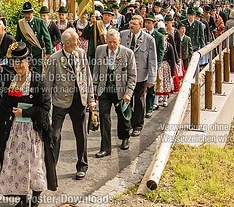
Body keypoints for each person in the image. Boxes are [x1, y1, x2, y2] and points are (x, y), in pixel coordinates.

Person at [0, 42, 57, 207]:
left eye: (21, 61)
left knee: (34, 164)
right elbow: (5, 105)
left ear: (28, 61)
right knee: (17, 164)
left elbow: (45, 107)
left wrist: (25, 113)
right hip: (15, 131)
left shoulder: (37, 81)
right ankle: (22, 199)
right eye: (15, 62)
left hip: (33, 131)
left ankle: (35, 199)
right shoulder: (12, 80)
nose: (18, 65)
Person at [45, 29, 95, 180]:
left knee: (81, 134)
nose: (79, 42)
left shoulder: (80, 53)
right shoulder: (54, 59)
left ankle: (82, 166)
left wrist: (91, 99)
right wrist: (46, 108)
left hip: (79, 101)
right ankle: (51, 168)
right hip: (60, 101)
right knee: (55, 135)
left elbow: (88, 77)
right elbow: (48, 84)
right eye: (76, 40)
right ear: (67, 43)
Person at [93, 29, 137, 158]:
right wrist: (94, 88)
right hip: (104, 89)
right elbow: (96, 70)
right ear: (106, 40)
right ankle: (105, 147)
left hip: (121, 90)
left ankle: (124, 138)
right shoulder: (100, 50)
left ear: (119, 41)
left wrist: (128, 93)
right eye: (109, 42)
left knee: (123, 116)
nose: (112, 45)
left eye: (114, 42)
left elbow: (132, 75)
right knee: (103, 116)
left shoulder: (128, 53)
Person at [119, 15, 157, 137]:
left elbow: (152, 60)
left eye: (134, 24)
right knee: (126, 100)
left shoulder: (149, 39)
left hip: (141, 75)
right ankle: (127, 123)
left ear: (140, 25)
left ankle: (137, 125)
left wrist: (152, 78)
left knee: (139, 101)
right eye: (130, 23)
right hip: (125, 75)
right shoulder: (122, 35)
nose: (131, 25)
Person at [15, 2, 53, 74]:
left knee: (37, 73)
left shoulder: (40, 22)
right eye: (25, 13)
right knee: (27, 73)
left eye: (28, 13)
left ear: (32, 13)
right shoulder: (21, 23)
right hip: (26, 53)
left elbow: (47, 37)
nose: (27, 15)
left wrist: (49, 52)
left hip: (37, 53)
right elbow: (17, 38)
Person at [143, 14, 164, 117]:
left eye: (149, 23)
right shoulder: (141, 34)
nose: (147, 24)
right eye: (146, 22)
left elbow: (161, 52)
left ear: (154, 24)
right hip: (142, 64)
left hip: (152, 64)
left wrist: (157, 65)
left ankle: (149, 108)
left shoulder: (159, 36)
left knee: (151, 88)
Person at [155, 28, 176, 107]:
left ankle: (165, 99)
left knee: (166, 83)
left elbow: (172, 58)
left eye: (165, 35)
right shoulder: (156, 45)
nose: (164, 37)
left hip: (166, 65)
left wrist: (173, 71)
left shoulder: (169, 46)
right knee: (158, 83)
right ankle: (156, 101)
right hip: (158, 65)